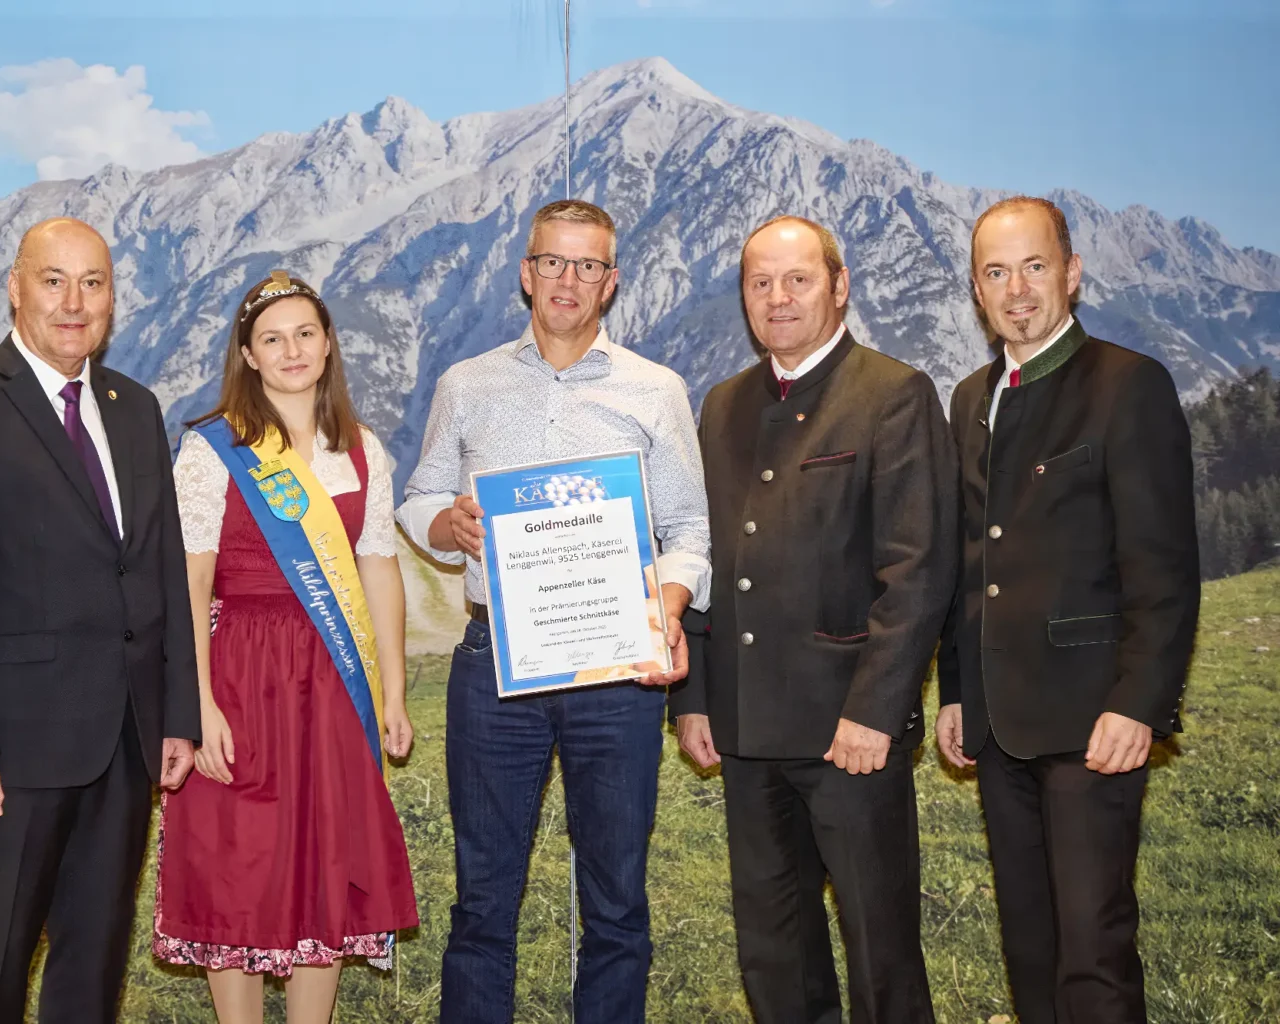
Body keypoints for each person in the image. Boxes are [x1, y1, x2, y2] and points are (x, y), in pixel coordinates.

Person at [397, 198, 708, 1024]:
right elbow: (419, 496)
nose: (568, 280)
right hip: (494, 662)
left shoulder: (656, 389)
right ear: (524, 273)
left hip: (618, 668)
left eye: (588, 265)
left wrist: (667, 606)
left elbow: (688, 528)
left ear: (610, 282)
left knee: (616, 902)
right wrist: (445, 522)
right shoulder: (468, 384)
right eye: (553, 262)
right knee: (482, 901)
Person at [0, 217, 200, 1022]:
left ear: (112, 299)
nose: (74, 302)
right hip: (12, 751)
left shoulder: (134, 407)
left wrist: (176, 715)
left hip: (126, 745)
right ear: (15, 288)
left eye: (93, 283)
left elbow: (158, 565)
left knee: (91, 973)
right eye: (54, 280)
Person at [670, 215, 955, 1023]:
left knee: (880, 947)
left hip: (848, 732)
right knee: (773, 951)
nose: (778, 297)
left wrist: (874, 711)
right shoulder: (723, 405)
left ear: (840, 285)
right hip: (745, 724)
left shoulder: (894, 394)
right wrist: (692, 698)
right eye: (759, 283)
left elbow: (918, 571)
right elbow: (702, 552)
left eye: (797, 280)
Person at [936, 196, 1200, 1023]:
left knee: (1093, 949)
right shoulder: (969, 398)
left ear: (1073, 273)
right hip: (997, 724)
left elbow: (1163, 567)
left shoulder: (1129, 385)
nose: (1017, 290)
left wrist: (1139, 703)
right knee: (1030, 946)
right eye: (996, 272)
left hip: (1095, 723)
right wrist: (955, 691)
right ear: (977, 291)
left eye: (1035, 266)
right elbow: (967, 561)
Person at [153, 271, 418, 1024]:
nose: (292, 350)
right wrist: (196, 703)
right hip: (238, 672)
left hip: (333, 682)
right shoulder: (214, 449)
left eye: (305, 333)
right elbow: (189, 584)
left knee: (324, 858)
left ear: (329, 343)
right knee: (236, 859)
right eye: (272, 338)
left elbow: (379, 571)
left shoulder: (361, 451)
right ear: (249, 354)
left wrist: (393, 691)